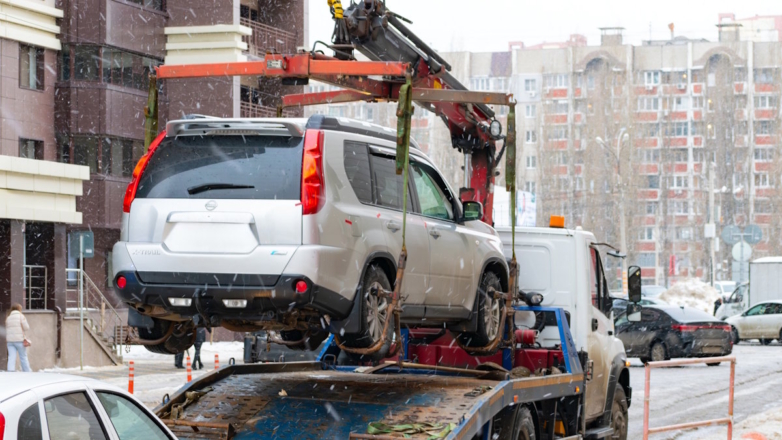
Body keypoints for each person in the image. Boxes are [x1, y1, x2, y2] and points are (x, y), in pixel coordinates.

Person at [6, 304, 32, 372]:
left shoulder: (8, 318)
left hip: (10, 341)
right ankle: (27, 371)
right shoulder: (21, 316)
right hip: (19, 340)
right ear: (19, 309)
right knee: (23, 357)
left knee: (11, 357)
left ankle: (10, 371)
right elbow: (26, 327)